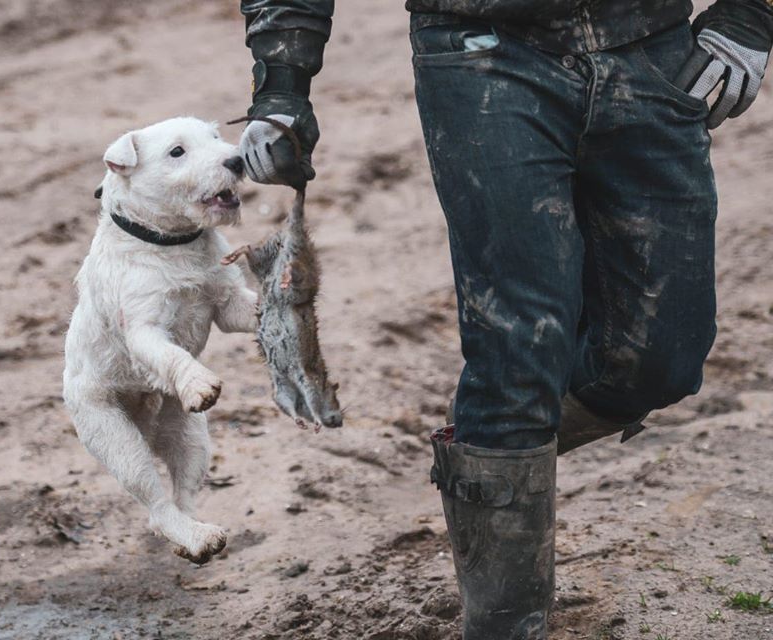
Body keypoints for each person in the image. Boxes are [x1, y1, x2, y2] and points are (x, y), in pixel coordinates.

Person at [236, 1, 773, 638]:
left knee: (660, 358)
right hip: (480, 57)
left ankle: (489, 461)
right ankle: (504, 614)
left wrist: (750, 11)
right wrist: (281, 81)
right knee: (517, 346)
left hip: (650, 48)